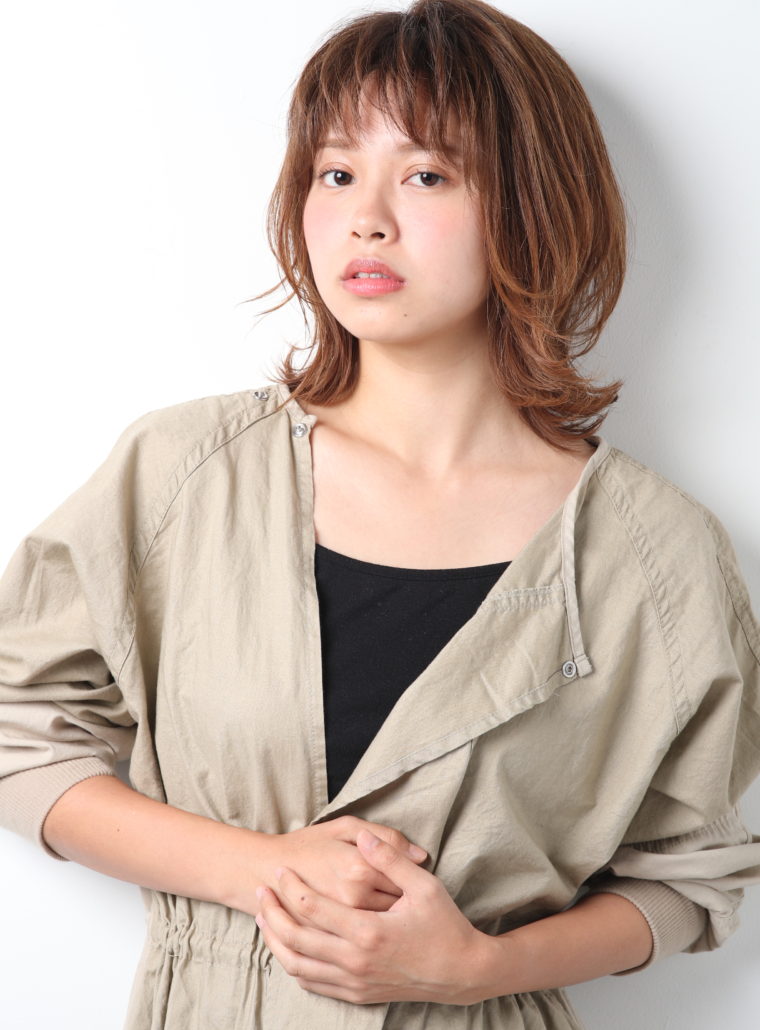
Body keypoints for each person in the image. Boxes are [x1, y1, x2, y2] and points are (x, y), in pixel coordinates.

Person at [0, 1, 758, 1028]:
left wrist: (476, 967)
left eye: (427, 175)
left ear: (533, 205)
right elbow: (17, 725)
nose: (366, 218)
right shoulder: (186, 475)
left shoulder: (657, 553)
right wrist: (261, 870)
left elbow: (692, 877)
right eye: (335, 173)